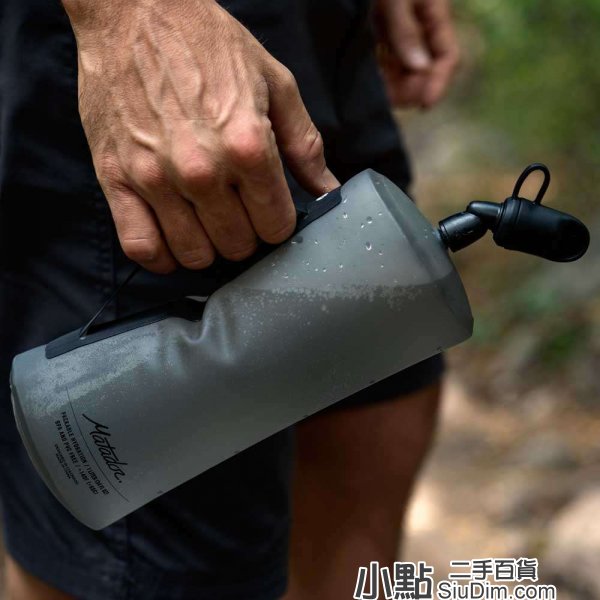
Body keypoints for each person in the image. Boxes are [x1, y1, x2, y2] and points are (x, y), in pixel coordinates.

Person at [0, 0, 459, 597]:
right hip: (164, 36)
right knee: (148, 548)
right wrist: (128, 17)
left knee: (371, 427)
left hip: (320, 32)